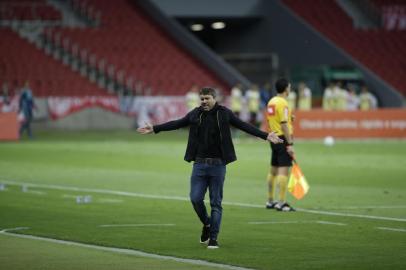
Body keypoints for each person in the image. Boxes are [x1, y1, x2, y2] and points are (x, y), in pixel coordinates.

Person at [137, 87, 283, 249]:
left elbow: (243, 125)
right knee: (195, 199)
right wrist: (155, 128)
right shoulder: (195, 113)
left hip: (218, 165)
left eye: (207, 98)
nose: (204, 102)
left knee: (216, 203)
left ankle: (213, 238)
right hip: (199, 165)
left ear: (214, 98)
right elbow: (177, 123)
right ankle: (207, 223)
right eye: (202, 99)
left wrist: (266, 136)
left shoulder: (224, 113)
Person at [265, 78, 295, 212]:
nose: (290, 89)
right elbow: (283, 124)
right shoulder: (283, 103)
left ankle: (270, 200)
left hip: (273, 138)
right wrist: (290, 143)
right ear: (286, 88)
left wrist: (290, 119)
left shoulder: (272, 101)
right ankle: (281, 202)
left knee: (273, 170)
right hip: (282, 138)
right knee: (283, 170)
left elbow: (272, 119)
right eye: (289, 87)